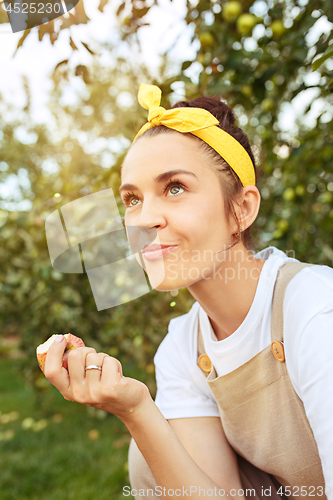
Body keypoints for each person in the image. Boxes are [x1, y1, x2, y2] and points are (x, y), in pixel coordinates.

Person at [43, 84, 333, 499]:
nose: (145, 219)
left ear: (242, 209)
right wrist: (136, 409)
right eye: (131, 200)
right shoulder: (183, 344)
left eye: (175, 187)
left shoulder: (315, 307)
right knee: (153, 451)